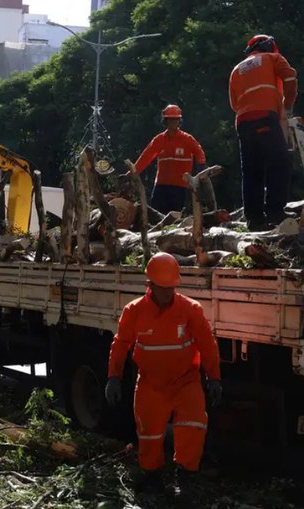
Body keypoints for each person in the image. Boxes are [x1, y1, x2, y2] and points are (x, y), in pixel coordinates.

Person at [105, 252, 222, 500]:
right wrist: (113, 376)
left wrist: (214, 378)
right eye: (162, 288)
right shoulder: (134, 311)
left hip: (185, 380)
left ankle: (185, 479)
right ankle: (152, 477)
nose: (168, 293)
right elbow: (121, 343)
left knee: (193, 425)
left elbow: (208, 344)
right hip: (151, 382)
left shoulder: (190, 309)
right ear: (150, 285)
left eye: (171, 288)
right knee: (149, 432)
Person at [229, 34, 298, 231]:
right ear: (268, 45)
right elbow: (290, 77)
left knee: (252, 170)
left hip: (243, 122)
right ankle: (275, 212)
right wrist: (288, 106)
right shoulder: (273, 58)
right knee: (280, 161)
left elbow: (235, 103)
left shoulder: (236, 70)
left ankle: (254, 219)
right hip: (266, 116)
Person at [132, 104, 206, 214]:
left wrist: (202, 168)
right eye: (170, 120)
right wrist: (132, 173)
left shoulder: (187, 139)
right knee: (156, 215)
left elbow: (200, 154)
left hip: (180, 187)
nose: (173, 122)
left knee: (175, 217)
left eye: (175, 120)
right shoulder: (159, 140)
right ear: (165, 121)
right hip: (161, 186)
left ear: (179, 121)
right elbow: (145, 158)